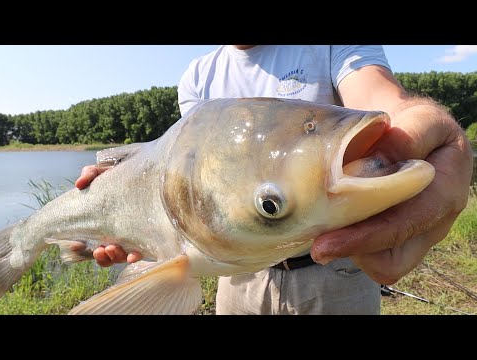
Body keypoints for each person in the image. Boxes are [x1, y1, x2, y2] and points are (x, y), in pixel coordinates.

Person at [75, 45, 473, 314]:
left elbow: (386, 103)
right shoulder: (199, 75)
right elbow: (182, 171)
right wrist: (125, 204)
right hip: (237, 277)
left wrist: (420, 126)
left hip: (336, 271)